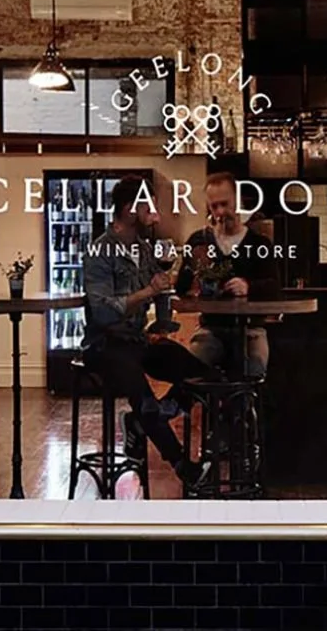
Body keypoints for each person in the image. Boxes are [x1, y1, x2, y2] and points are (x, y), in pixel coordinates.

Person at [81, 173, 217, 486]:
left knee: (202, 375)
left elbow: (162, 286)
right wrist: (147, 293)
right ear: (130, 208)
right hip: (105, 345)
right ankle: (186, 468)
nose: (153, 213)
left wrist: (163, 322)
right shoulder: (100, 252)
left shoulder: (143, 248)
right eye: (148, 206)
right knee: (143, 397)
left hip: (138, 340)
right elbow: (102, 312)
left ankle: (138, 424)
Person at [177, 171, 283, 379]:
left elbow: (274, 288)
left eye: (225, 204)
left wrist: (248, 286)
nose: (220, 212)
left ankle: (246, 410)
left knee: (253, 372)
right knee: (189, 371)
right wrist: (194, 275)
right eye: (214, 206)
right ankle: (201, 410)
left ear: (238, 200)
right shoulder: (200, 240)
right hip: (211, 329)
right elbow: (182, 288)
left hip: (251, 329)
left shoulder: (259, 244)